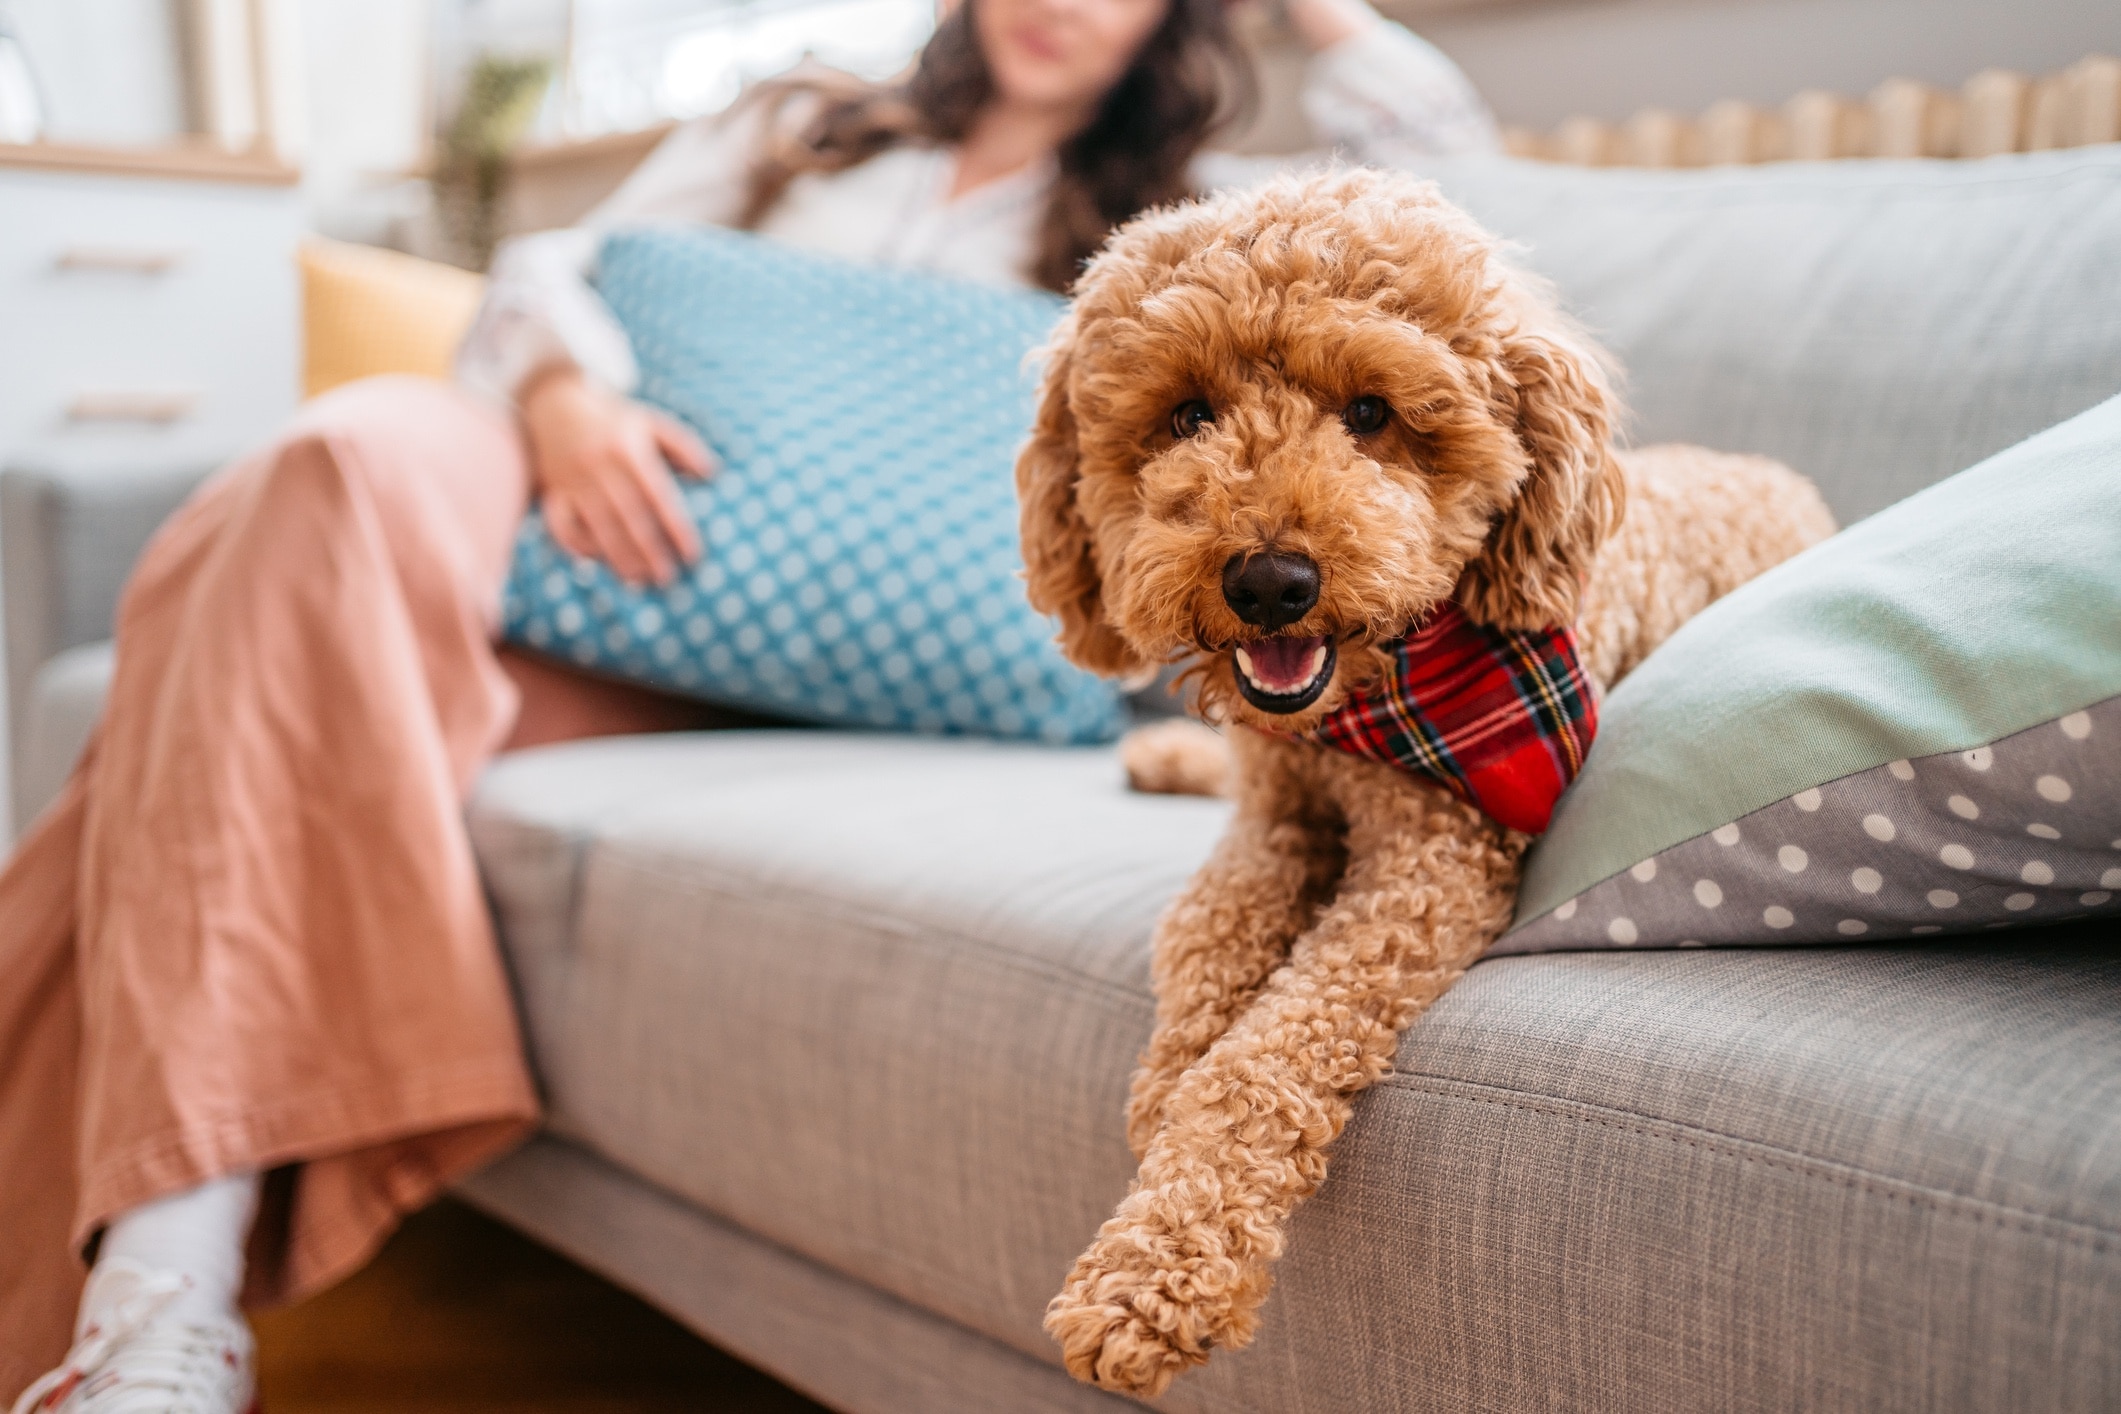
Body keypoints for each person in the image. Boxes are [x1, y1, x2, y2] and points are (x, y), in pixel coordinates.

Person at [0, 0, 1496, 1406]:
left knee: (221, 686)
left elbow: (1454, 183)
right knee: (335, 464)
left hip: (849, 664)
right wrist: (565, 401)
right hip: (603, 558)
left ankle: (150, 1308)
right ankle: (158, 1306)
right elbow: (557, 266)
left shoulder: (1170, 217)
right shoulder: (800, 120)